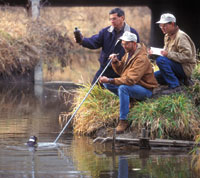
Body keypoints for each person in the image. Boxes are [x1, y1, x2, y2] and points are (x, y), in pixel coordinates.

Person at [99, 31, 158, 134]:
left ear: (134, 43)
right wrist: (116, 62)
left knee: (123, 88)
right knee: (106, 84)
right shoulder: (128, 54)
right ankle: (131, 99)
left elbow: (130, 80)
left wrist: (110, 80)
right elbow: (122, 71)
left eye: (126, 43)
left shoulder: (141, 59)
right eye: (122, 43)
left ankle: (123, 121)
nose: (124, 46)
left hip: (145, 90)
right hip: (134, 86)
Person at [74, 8, 140, 84]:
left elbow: (136, 52)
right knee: (94, 90)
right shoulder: (105, 32)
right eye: (110, 19)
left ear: (122, 18)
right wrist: (82, 40)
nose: (112, 21)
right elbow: (94, 42)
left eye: (114, 19)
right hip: (105, 68)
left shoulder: (133, 33)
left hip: (123, 69)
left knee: (119, 92)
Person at [154, 13, 196, 94]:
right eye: (160, 26)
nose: (162, 28)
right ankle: (181, 80)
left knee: (161, 60)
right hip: (175, 66)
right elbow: (166, 52)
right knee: (154, 77)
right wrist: (156, 52)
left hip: (184, 68)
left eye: (164, 25)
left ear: (172, 24)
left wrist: (168, 54)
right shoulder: (167, 36)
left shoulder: (181, 36)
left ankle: (175, 86)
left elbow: (187, 56)